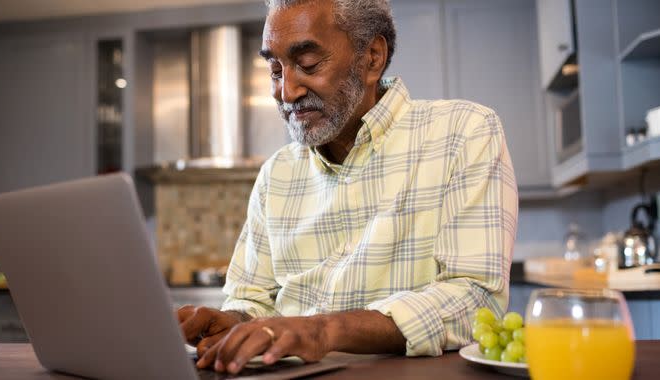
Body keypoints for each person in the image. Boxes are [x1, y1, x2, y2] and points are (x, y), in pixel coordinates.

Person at [177, 0, 518, 374]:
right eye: (275, 70)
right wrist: (238, 322)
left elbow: (475, 300)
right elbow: (255, 301)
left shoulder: (464, 133)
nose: (286, 92)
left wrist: (325, 329)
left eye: (307, 64)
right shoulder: (277, 174)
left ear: (372, 57)